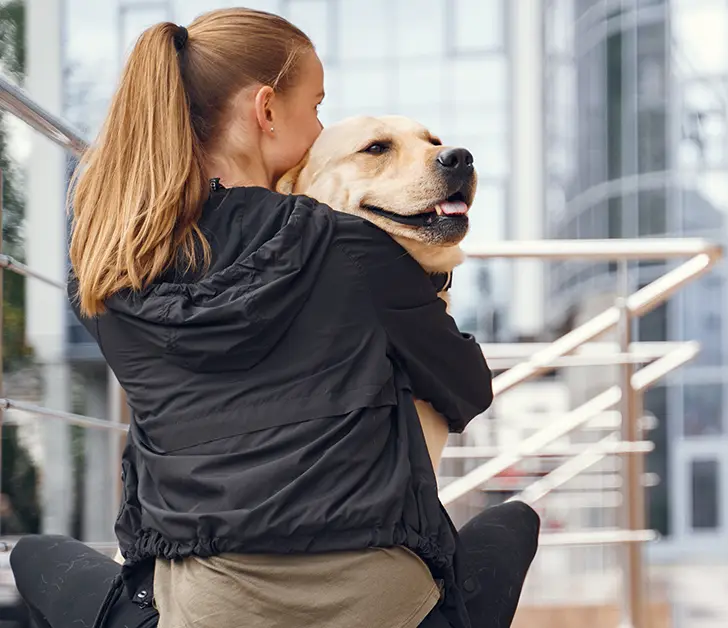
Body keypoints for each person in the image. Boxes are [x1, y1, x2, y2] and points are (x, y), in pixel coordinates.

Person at [10, 8, 538, 628]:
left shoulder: (106, 270)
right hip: (383, 608)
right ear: (266, 111)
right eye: (315, 107)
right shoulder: (349, 246)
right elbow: (467, 388)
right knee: (512, 523)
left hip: (207, 614)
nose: (317, 127)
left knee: (35, 556)